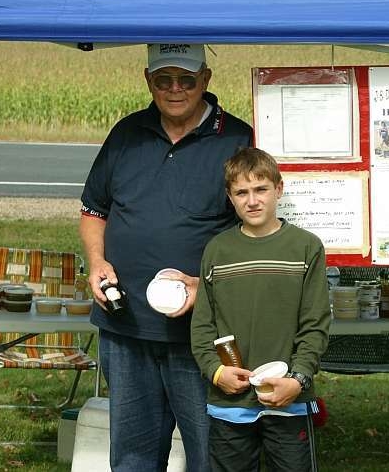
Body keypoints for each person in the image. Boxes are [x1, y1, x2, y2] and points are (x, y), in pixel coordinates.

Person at [79, 43, 253, 471]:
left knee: (210, 453)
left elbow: (257, 232)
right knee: (133, 455)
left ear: (206, 80)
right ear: (148, 80)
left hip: (202, 336)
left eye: (187, 79)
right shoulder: (126, 134)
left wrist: (204, 285)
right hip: (127, 327)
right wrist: (98, 263)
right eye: (164, 80)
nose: (176, 89)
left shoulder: (239, 139)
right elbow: (93, 210)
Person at [191, 147, 331, 472]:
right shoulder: (217, 250)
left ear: (278, 189)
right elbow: (202, 326)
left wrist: (298, 379)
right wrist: (216, 371)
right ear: (230, 197)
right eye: (241, 192)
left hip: (289, 399)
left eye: (260, 189)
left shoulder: (306, 247)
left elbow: (315, 325)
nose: (252, 201)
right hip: (229, 402)